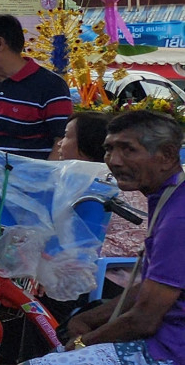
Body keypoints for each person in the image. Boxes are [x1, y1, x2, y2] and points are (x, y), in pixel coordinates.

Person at [3, 108, 183, 365]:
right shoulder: (169, 197)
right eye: (109, 149)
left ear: (167, 155)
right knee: (90, 361)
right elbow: (149, 287)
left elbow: (145, 318)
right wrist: (92, 318)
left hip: (171, 354)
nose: (114, 160)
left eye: (128, 149)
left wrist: (86, 342)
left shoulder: (179, 214)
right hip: (171, 341)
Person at [0, 12, 73, 157]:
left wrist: (49, 172)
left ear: (0, 43)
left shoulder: (51, 85)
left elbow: (60, 140)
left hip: (35, 171)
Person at [54, 108, 147, 265]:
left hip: (105, 269)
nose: (60, 143)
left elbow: (74, 245)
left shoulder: (90, 185)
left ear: (85, 144)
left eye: (66, 136)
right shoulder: (128, 178)